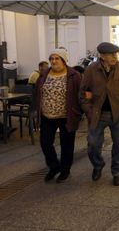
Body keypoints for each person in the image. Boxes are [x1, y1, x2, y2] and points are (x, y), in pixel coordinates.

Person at [80, 42, 119, 186]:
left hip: (118, 114)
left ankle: (117, 172)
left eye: (115, 54)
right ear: (102, 56)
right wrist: (89, 111)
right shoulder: (91, 70)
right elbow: (82, 93)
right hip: (97, 114)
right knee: (93, 144)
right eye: (111, 55)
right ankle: (98, 164)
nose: (114, 57)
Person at [35, 48, 82, 183]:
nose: (54, 61)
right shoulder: (44, 74)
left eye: (57, 58)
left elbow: (81, 94)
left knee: (66, 144)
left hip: (66, 116)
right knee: (45, 143)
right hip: (47, 116)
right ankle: (54, 166)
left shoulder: (74, 75)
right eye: (51, 59)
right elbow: (37, 92)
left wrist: (79, 112)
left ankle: (65, 170)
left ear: (64, 60)